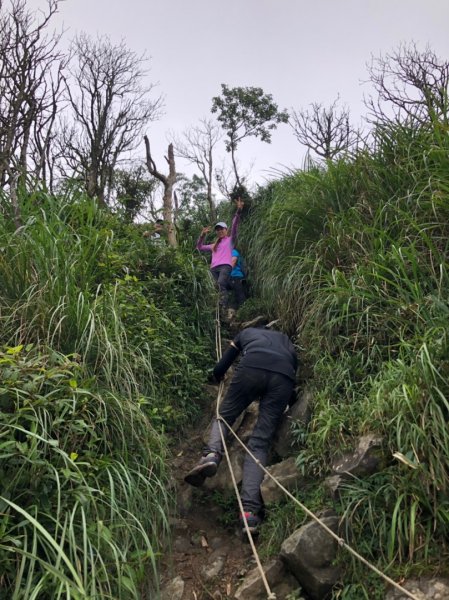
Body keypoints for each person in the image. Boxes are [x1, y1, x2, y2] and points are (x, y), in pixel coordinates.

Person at [184, 325, 298, 535]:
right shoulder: (286, 341)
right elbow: (291, 377)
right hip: (283, 378)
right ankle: (250, 514)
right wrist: (288, 401)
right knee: (260, 443)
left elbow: (222, 367)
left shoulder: (246, 333)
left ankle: (211, 455)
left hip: (251, 367)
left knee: (224, 417)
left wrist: (216, 377)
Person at [196, 198, 244, 309]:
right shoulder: (214, 245)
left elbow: (235, 225)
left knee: (220, 283)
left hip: (225, 267)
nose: (220, 231)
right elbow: (199, 247)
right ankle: (218, 304)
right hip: (213, 268)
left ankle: (223, 304)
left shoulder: (230, 240)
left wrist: (238, 211)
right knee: (215, 286)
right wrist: (202, 235)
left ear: (226, 230)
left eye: (222, 229)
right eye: (218, 230)